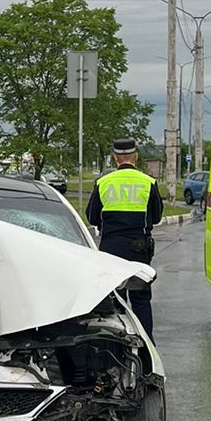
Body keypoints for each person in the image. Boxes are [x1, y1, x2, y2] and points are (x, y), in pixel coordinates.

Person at [86, 137, 163, 339]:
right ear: (135, 157)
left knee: (115, 300)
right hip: (140, 248)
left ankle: (117, 344)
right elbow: (156, 217)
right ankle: (146, 347)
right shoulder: (148, 182)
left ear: (115, 158)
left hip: (111, 249)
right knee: (141, 299)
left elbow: (92, 217)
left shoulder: (103, 183)